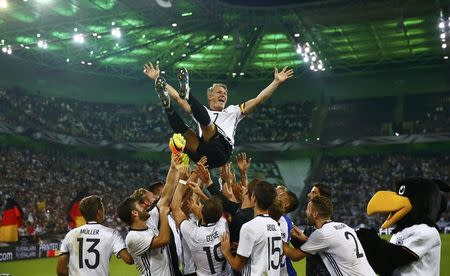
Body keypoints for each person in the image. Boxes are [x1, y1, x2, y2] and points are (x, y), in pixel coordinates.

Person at [143, 63, 294, 168]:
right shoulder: (202, 110)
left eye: (225, 93)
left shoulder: (234, 111)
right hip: (203, 156)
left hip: (222, 150)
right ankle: (167, 107)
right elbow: (177, 97)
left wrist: (276, 82)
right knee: (184, 133)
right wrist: (158, 79)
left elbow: (259, 99)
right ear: (210, 96)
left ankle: (187, 93)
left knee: (207, 125)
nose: (223, 95)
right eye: (219, 92)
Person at [117, 153, 181, 276]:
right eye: (140, 205)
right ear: (135, 213)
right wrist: (163, 213)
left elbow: (166, 196)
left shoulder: (149, 220)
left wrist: (173, 168)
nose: (145, 205)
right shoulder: (132, 238)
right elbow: (164, 240)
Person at [284, 196, 376, 276]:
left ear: (315, 214)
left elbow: (294, 256)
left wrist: (277, 236)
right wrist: (306, 239)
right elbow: (332, 244)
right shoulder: (344, 226)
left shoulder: (321, 234)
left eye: (308, 209)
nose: (306, 212)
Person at [171, 170, 230, 276]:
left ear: (202, 214)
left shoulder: (194, 234)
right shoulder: (223, 225)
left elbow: (175, 208)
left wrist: (182, 181)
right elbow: (215, 209)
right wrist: (200, 194)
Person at [56, 195, 133, 276]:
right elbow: (129, 259)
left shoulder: (70, 235)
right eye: (103, 208)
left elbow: (61, 271)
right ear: (99, 212)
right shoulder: (112, 234)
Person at [220, 181, 284, 275]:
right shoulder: (276, 225)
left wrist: (226, 251)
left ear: (253, 198)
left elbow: (237, 265)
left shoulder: (249, 227)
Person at [291, 183, 332, 276]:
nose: (309, 195)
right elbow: (303, 247)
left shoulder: (327, 228)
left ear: (323, 198)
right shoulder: (311, 225)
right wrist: (292, 235)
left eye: (314, 192)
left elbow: (297, 255)